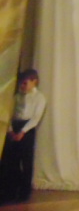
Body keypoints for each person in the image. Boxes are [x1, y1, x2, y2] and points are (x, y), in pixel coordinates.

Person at [0, 68, 47, 204]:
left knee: (26, 161)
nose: (23, 86)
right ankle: (10, 190)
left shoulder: (39, 98)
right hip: (15, 125)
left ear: (34, 81)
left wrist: (23, 132)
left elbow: (35, 118)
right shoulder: (16, 97)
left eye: (26, 83)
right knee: (11, 160)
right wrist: (10, 130)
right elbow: (9, 113)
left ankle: (24, 192)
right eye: (21, 83)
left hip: (27, 129)